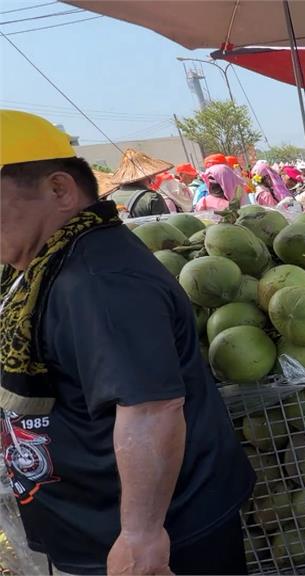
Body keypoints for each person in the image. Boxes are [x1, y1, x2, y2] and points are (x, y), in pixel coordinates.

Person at [0, 110, 253, 575]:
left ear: (59, 189)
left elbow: (150, 408)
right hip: (98, 531)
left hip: (159, 541)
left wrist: (140, 534)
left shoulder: (99, 280)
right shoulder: (45, 267)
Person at [108, 149, 176, 217]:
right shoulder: (152, 197)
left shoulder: (110, 198)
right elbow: (164, 225)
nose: (154, 177)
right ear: (149, 175)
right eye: (153, 174)